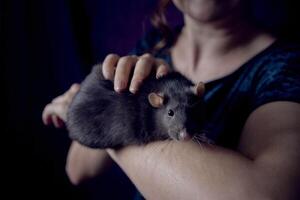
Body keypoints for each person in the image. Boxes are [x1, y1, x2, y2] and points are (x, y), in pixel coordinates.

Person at [42, 0, 300, 199]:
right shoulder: (153, 48)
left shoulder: (285, 67)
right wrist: (87, 106)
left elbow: (266, 195)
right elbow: (77, 168)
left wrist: (113, 120)